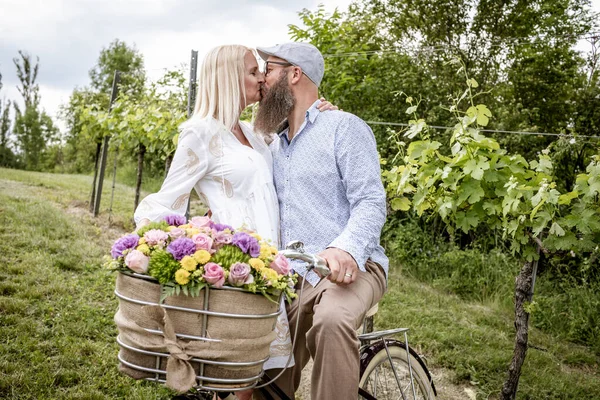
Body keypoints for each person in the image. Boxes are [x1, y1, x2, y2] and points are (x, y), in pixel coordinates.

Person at [133, 44, 336, 400]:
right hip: (236, 271)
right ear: (228, 78)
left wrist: (319, 114)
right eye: (252, 72)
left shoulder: (255, 132)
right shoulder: (200, 133)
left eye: (261, 70)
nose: (261, 78)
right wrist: (165, 245)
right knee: (242, 380)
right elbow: (168, 203)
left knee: (264, 381)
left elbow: (293, 147)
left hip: (271, 267)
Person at [253, 42, 389, 400]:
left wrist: (342, 248)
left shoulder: (344, 128)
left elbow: (371, 201)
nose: (263, 78)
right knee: (263, 353)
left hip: (351, 268)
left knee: (331, 321)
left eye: (269, 69)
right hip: (291, 274)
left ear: (294, 74)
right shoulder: (271, 144)